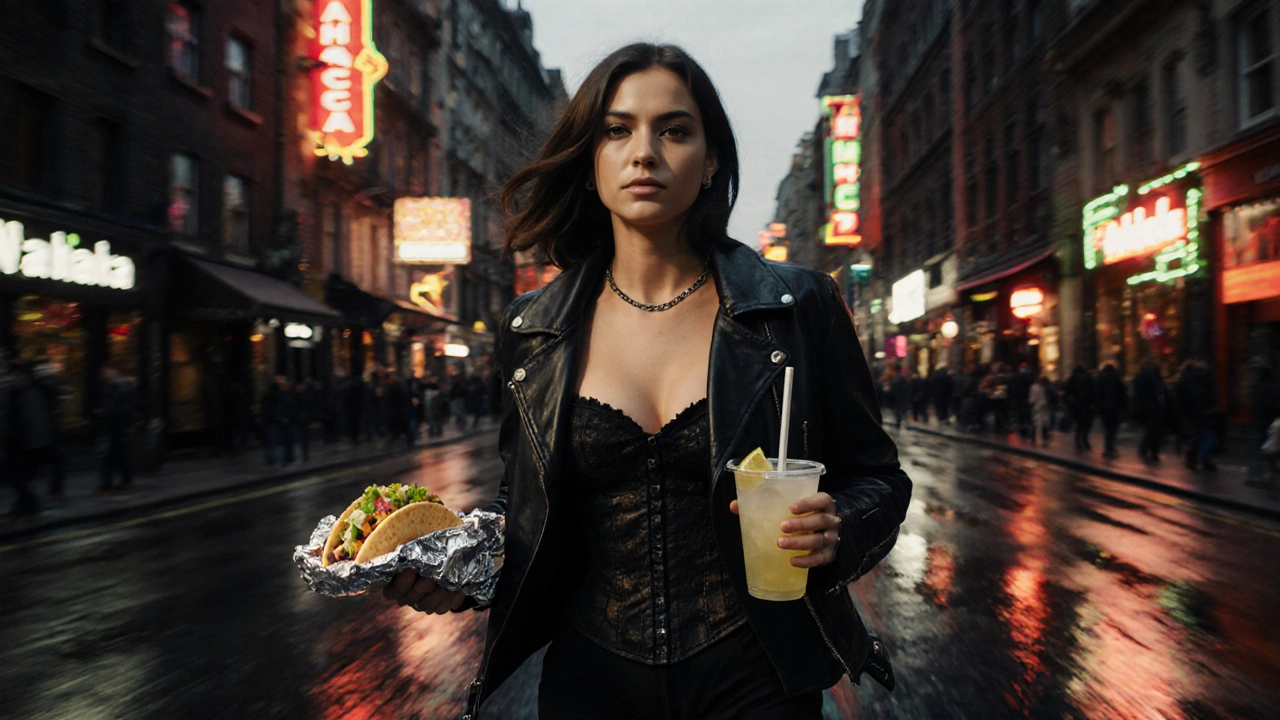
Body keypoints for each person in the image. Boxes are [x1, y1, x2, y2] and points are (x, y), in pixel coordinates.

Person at [380, 44, 911, 720]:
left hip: (760, 679)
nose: (644, 153)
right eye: (616, 129)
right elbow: (526, 509)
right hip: (590, 682)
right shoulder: (533, 328)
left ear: (711, 159)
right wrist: (453, 571)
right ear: (590, 159)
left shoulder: (797, 307)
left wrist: (840, 527)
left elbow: (879, 479)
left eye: (674, 130)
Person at [5, 363, 54, 516]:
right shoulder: (16, 393)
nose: (13, 379)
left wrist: (28, 444)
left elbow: (34, 422)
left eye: (16, 376)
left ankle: (30, 504)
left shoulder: (29, 394)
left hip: (29, 446)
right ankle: (25, 504)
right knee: (15, 477)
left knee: (15, 476)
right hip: (19, 445)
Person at [98, 365, 137, 491]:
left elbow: (122, 408)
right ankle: (125, 480)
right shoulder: (110, 388)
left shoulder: (120, 388)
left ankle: (107, 485)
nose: (105, 375)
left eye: (108, 372)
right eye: (104, 373)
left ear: (115, 372)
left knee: (110, 457)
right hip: (115, 427)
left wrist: (115, 417)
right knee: (119, 456)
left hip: (117, 427)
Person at [1175, 359, 1217, 470]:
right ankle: (1203, 459)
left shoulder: (1184, 381)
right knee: (1205, 436)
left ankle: (1194, 459)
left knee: (1199, 436)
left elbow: (1181, 400)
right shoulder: (1201, 379)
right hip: (1203, 412)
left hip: (1193, 413)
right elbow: (1209, 396)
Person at [1247, 358, 1280, 486]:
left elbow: (1254, 403)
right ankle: (1260, 473)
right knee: (1267, 447)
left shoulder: (1256, 387)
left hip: (1260, 420)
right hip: (1269, 420)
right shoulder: (1272, 387)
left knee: (1263, 446)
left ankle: (1258, 473)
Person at [1132, 359, 1169, 464]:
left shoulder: (1142, 376)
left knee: (1151, 431)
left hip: (1148, 409)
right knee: (1154, 432)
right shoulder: (1154, 379)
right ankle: (1151, 451)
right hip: (1154, 409)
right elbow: (1160, 394)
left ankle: (1148, 450)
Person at [1095, 362, 1127, 459]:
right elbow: (1123, 392)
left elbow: (1096, 393)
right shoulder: (1116, 377)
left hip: (1103, 408)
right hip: (1115, 407)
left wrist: (1097, 407)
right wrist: (1124, 406)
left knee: (1107, 427)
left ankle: (1108, 447)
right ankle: (1109, 446)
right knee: (1113, 428)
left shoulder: (1100, 378)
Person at [1064, 364, 1095, 452]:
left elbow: (1067, 393)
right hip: (1087, 405)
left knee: (1079, 424)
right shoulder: (1088, 378)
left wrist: (1070, 404)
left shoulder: (1071, 379)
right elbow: (1093, 391)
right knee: (1087, 424)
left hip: (1076, 406)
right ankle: (1085, 440)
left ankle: (1078, 440)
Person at [1027, 376, 1054, 447]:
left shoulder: (1034, 387)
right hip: (1046, 406)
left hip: (1038, 406)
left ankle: (1033, 439)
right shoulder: (1048, 386)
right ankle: (1044, 439)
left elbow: (1032, 399)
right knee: (1045, 422)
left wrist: (1030, 402)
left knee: (1036, 422)